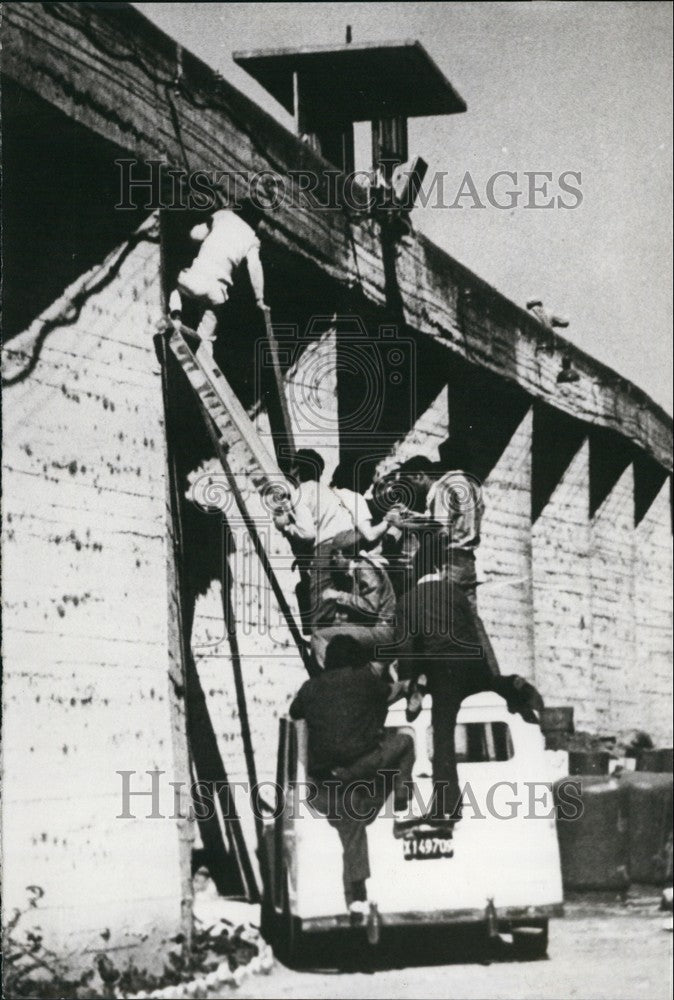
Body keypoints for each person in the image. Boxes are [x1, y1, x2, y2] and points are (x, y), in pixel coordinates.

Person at [396, 567, 543, 822]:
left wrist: (409, 683)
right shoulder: (457, 594)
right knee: (488, 684)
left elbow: (406, 645)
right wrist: (488, 672)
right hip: (471, 662)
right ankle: (510, 685)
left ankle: (447, 804)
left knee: (442, 733)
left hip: (443, 670)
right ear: (439, 571)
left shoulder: (407, 600)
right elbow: (477, 633)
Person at [289, 635, 413, 913]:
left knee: (351, 821)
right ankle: (403, 801)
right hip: (362, 768)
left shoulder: (310, 687)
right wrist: (404, 686)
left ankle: (356, 894)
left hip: (328, 780)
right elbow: (390, 693)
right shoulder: (365, 679)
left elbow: (294, 711)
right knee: (405, 742)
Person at [389, 451, 501, 676]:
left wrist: (403, 524)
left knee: (444, 617)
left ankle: (445, 676)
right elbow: (448, 521)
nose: (412, 489)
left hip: (450, 560)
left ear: (420, 475)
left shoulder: (440, 488)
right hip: (467, 559)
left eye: (410, 482)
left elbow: (439, 530)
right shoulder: (468, 484)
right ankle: (492, 675)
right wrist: (413, 516)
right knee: (471, 620)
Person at [168, 207, 266, 356]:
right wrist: (259, 299)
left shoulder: (223, 215)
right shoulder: (252, 239)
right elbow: (255, 269)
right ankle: (206, 355)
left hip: (194, 280)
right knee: (207, 334)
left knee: (175, 289)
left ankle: (175, 316)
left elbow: (195, 234)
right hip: (216, 293)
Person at [310, 529, 397, 674]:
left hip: (382, 631)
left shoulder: (365, 568)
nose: (333, 560)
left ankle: (331, 680)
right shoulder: (359, 569)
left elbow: (370, 607)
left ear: (346, 554)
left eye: (335, 555)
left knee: (319, 637)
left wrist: (337, 595)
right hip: (378, 629)